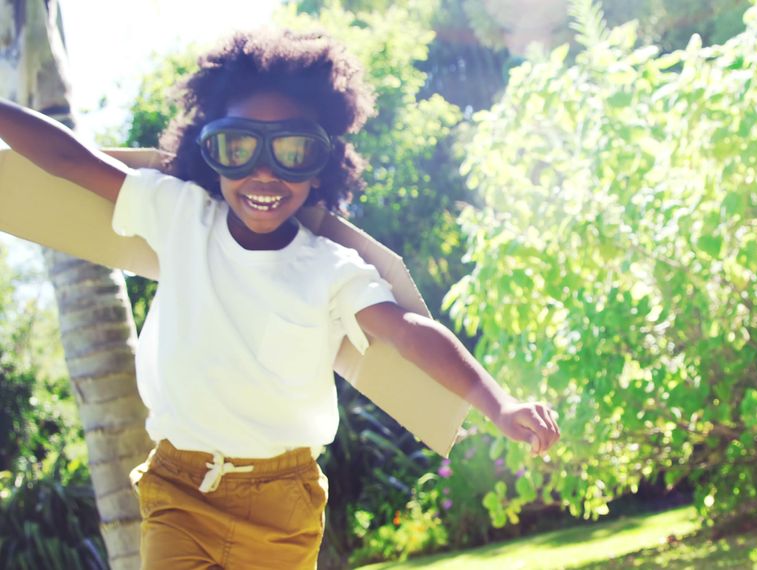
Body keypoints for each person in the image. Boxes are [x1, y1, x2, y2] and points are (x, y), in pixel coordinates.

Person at [0, 29, 560, 569]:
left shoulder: (332, 270)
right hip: (179, 487)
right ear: (211, 151)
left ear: (322, 165)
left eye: (292, 151)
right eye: (238, 147)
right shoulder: (178, 216)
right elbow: (71, 161)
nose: (263, 174)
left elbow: (407, 331)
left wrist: (498, 402)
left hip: (280, 501)